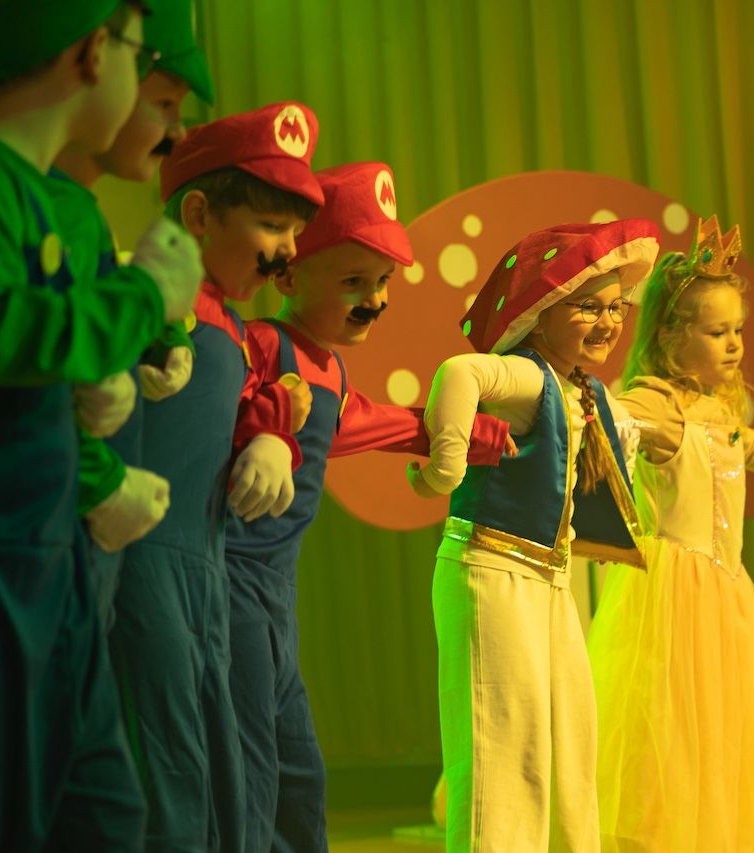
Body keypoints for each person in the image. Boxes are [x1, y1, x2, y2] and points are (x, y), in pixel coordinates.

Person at [227, 161, 511, 852]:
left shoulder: (329, 369)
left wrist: (483, 434)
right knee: (251, 758)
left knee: (297, 767)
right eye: (353, 281)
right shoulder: (262, 346)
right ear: (288, 277)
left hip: (275, 592)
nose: (374, 300)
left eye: (381, 282)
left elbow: (376, 423)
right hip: (230, 582)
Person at [0, 3, 202, 847]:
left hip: (53, 563)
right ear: (92, 52)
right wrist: (141, 297)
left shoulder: (41, 199)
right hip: (14, 564)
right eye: (137, 57)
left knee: (106, 813)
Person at [408, 218, 659, 851]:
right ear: (541, 314)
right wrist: (444, 468)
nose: (608, 322)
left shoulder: (581, 388)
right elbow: (459, 373)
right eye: (588, 307)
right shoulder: (527, 374)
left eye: (616, 308)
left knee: (569, 741)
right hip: (492, 572)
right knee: (502, 746)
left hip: (546, 579)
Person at [111, 101, 322, 850]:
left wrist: (273, 433)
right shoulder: (145, 298)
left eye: (294, 232)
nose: (286, 252)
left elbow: (252, 411)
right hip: (141, 560)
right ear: (200, 215)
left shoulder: (235, 329)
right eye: (271, 226)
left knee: (212, 754)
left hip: (205, 568)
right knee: (162, 754)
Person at [588, 217, 754, 851]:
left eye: (738, 331)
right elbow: (608, 421)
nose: (734, 345)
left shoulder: (721, 411)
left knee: (719, 719)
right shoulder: (653, 401)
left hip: (724, 587)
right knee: (668, 718)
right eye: (718, 333)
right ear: (670, 335)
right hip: (672, 591)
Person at [49, 0, 217, 623]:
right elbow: (37, 370)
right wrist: (102, 483)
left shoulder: (82, 213)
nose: (178, 131)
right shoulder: (50, 207)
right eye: (164, 103)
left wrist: (161, 335)